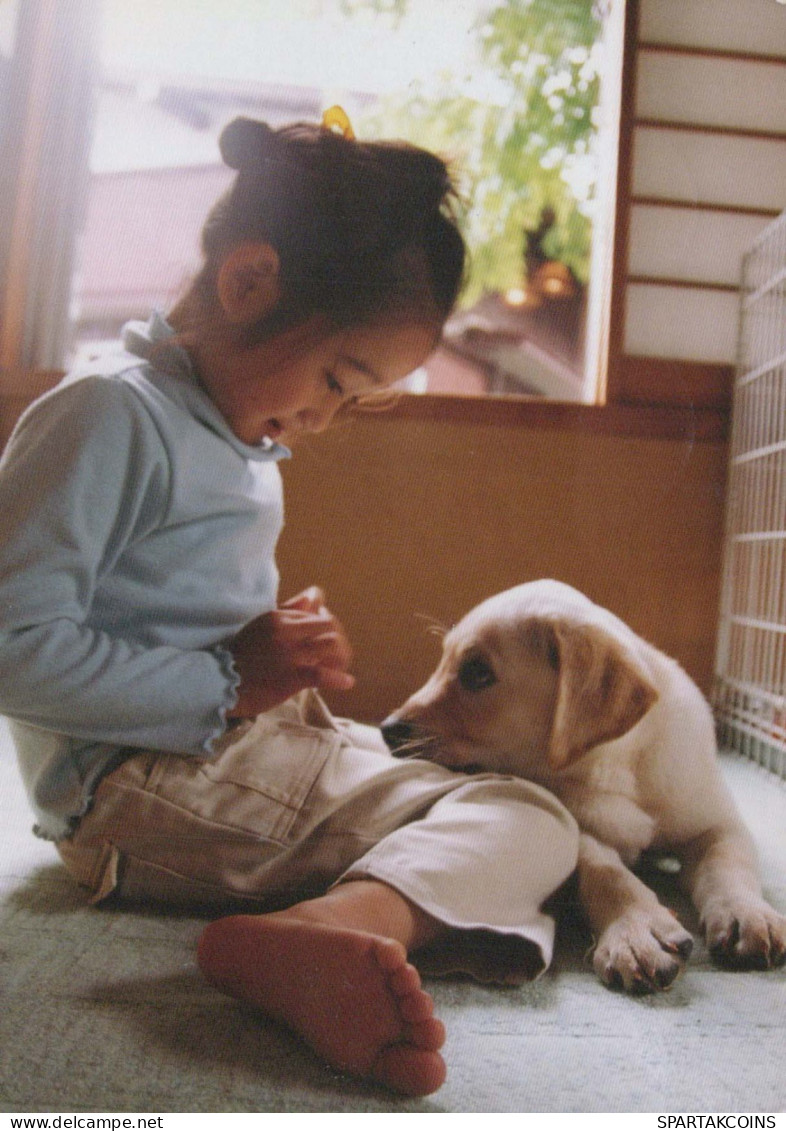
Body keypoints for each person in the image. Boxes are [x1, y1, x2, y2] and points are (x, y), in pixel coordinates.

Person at [0, 114, 579, 1098]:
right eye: (337, 381)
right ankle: (334, 930)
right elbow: (14, 647)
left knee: (526, 807)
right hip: (135, 787)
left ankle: (345, 919)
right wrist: (229, 677)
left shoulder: (234, 434)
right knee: (529, 823)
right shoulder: (107, 415)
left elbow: (175, 614)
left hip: (233, 745)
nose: (323, 418)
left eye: (353, 401)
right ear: (248, 281)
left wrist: (272, 647)